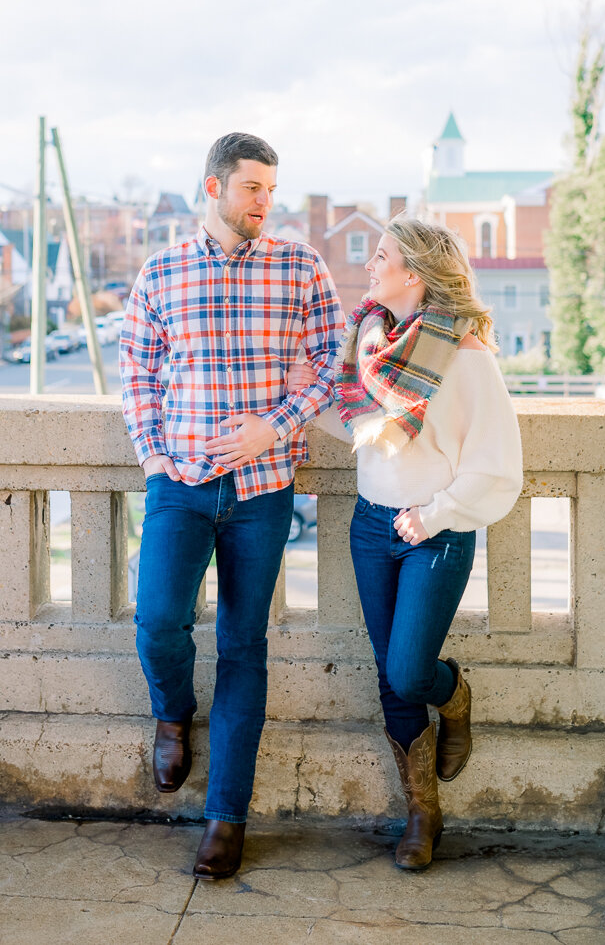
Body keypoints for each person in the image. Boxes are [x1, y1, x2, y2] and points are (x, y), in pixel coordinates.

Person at [119, 132, 344, 881]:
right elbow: (138, 376)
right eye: (253, 189)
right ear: (213, 188)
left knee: (245, 648)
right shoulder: (161, 271)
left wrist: (271, 428)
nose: (264, 204)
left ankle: (225, 816)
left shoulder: (299, 266)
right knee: (158, 622)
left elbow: (327, 364)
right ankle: (172, 711)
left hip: (263, 490)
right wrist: (154, 457)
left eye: (270, 191)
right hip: (178, 483)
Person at [290, 216, 522, 871]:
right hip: (370, 525)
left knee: (409, 673)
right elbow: (360, 423)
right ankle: (421, 810)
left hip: (433, 532)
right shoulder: (370, 344)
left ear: (412, 274)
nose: (369, 265)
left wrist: (438, 513)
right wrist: (290, 404)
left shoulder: (464, 357)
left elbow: (498, 464)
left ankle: (456, 697)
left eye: (381, 256)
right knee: (389, 683)